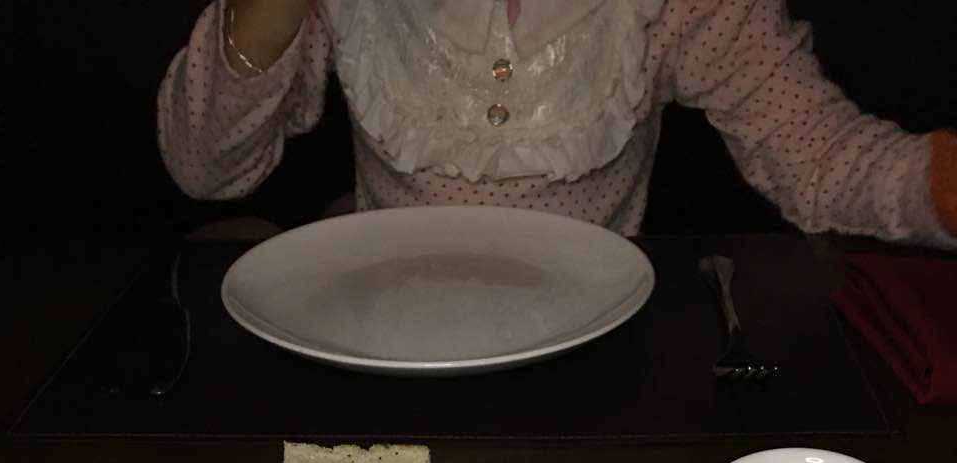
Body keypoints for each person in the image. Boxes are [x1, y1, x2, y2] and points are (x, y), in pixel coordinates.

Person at [158, 0, 957, 244]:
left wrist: (940, 185)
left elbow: (821, 158)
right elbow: (205, 169)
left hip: (596, 353)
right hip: (377, 339)